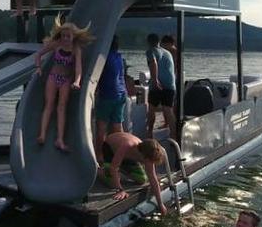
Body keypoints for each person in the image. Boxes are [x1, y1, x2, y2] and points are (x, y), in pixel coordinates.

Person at [35, 15, 94, 151]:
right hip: (53, 77)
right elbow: (38, 55)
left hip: (65, 80)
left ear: (73, 37)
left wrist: (77, 81)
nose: (65, 39)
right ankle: (42, 134)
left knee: (62, 107)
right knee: (49, 104)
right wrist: (38, 68)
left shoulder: (76, 49)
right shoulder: (56, 45)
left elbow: (78, 68)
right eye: (63, 36)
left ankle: (60, 139)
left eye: (68, 36)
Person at [97, 132, 167, 215]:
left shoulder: (148, 154)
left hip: (126, 157)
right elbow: (114, 168)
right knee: (113, 182)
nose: (150, 163)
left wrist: (160, 204)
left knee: (142, 179)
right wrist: (120, 190)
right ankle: (99, 170)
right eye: (148, 161)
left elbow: (152, 177)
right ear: (143, 156)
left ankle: (121, 167)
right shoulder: (127, 146)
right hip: (110, 150)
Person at [94, 35, 127, 163]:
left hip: (107, 95)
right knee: (117, 127)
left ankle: (99, 156)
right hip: (121, 94)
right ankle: (122, 154)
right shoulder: (119, 57)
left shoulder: (103, 58)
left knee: (101, 128)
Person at [145, 33, 177, 139]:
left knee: (151, 108)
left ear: (149, 42)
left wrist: (154, 80)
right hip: (170, 85)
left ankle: (149, 132)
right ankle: (173, 134)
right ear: (159, 42)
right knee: (168, 109)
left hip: (158, 85)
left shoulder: (151, 51)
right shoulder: (167, 52)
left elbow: (153, 63)